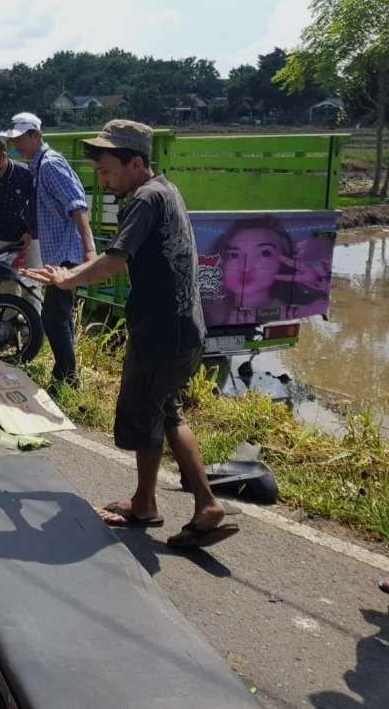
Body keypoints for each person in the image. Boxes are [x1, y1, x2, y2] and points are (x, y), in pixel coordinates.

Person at [23, 120, 238, 549]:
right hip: (177, 327)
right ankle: (146, 503)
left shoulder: (144, 198)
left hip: (162, 331)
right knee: (162, 411)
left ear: (136, 162)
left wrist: (67, 279)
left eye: (107, 172)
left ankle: (205, 504)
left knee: (160, 414)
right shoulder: (166, 191)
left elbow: (114, 260)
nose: (102, 182)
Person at [2, 111, 95, 390]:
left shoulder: (51, 164)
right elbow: (50, 208)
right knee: (58, 316)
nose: (16, 145)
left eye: (21, 139)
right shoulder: (38, 165)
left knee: (53, 317)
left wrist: (89, 250)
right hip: (58, 253)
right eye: (14, 139)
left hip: (68, 253)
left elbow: (76, 204)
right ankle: (65, 375)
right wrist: (30, 235)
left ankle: (66, 378)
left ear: (36, 135)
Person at [202, 216, 330, 326]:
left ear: (283, 261)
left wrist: (319, 282)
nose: (246, 268)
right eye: (234, 255)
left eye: (264, 253)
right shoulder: (205, 307)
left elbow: (322, 305)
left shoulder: (297, 311)